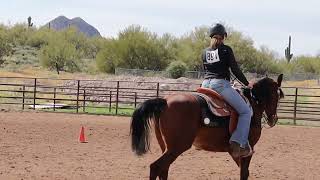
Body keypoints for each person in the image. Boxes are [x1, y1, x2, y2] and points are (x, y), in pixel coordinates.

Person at [201, 23, 254, 158]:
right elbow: (235, 69)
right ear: (223, 37)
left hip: (205, 84)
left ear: (211, 36)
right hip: (220, 85)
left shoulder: (204, 52)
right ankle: (237, 142)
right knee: (246, 111)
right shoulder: (226, 50)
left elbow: (207, 70)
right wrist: (247, 84)